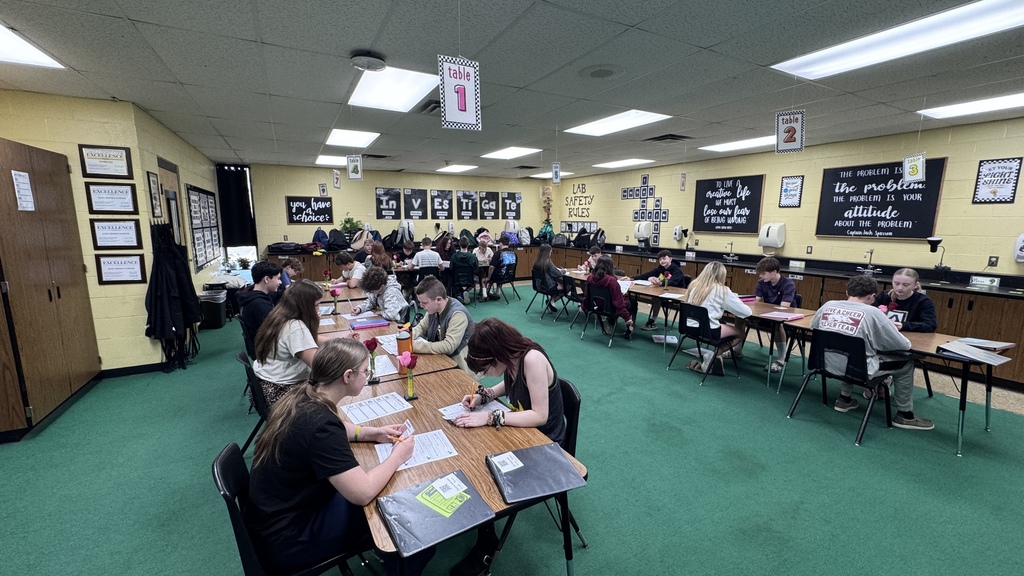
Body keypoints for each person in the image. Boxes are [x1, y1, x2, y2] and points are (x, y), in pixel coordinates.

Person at [245, 338, 432, 576]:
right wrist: (398, 456)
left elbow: (334, 426)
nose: (368, 375)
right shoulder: (320, 425)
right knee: (408, 520)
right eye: (365, 371)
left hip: (276, 519)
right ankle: (398, 563)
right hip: (291, 538)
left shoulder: (306, 393)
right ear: (347, 376)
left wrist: (369, 433)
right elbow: (361, 493)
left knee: (383, 491)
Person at [452, 318, 565, 576]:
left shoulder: (532, 359)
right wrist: (485, 396)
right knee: (471, 446)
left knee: (482, 467)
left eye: (486, 368)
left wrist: (489, 416)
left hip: (545, 442)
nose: (485, 375)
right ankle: (482, 530)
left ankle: (487, 543)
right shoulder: (512, 357)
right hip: (525, 435)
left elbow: (540, 416)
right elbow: (510, 383)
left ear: (497, 354)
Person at [812, 275, 934, 430]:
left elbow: (814, 327)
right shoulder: (873, 313)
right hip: (858, 369)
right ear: (872, 296)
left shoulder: (828, 305)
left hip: (826, 364)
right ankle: (905, 415)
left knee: (849, 351)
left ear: (847, 291)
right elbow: (903, 344)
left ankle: (844, 398)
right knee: (907, 364)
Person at [253, 279, 322, 405]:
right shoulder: (295, 327)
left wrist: (338, 341)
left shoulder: (280, 315)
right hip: (281, 392)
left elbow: (309, 341)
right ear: (305, 306)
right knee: (332, 391)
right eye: (316, 305)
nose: (319, 309)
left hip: (265, 385)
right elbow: (319, 365)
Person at [683, 261, 751, 375]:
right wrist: (735, 299)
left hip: (689, 328)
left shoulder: (694, 286)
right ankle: (714, 354)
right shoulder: (722, 290)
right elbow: (746, 312)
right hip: (708, 331)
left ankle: (713, 357)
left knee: (721, 323)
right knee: (740, 333)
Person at [411, 276, 475, 375]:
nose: (421, 306)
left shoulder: (457, 314)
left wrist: (413, 346)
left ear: (438, 300)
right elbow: (422, 327)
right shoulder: (433, 309)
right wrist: (408, 337)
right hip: (441, 360)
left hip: (459, 367)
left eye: (424, 303)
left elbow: (448, 346)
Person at [754, 256, 797, 372]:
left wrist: (764, 309)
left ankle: (781, 359)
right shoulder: (762, 282)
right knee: (741, 316)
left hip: (786, 317)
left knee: (778, 324)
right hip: (767, 314)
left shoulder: (788, 284)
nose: (761, 276)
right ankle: (737, 350)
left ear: (774, 272)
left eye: (763, 273)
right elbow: (756, 300)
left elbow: (784, 307)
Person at [631, 250, 689, 330]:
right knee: (656, 297)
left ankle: (653, 320)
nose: (662, 261)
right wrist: (633, 278)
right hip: (664, 291)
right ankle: (653, 320)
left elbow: (673, 281)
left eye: (664, 258)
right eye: (660, 259)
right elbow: (649, 274)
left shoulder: (677, 270)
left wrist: (660, 282)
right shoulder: (661, 268)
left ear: (670, 259)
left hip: (676, 293)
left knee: (657, 298)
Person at [874, 268, 937, 332]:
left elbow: (930, 325)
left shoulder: (923, 301)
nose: (900, 288)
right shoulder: (884, 296)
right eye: (896, 283)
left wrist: (903, 326)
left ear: (915, 285)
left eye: (905, 285)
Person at [585, 255, 634, 339]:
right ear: (610, 267)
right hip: (611, 308)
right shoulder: (611, 280)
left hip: (598, 306)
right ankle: (629, 328)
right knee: (632, 302)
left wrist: (583, 306)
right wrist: (627, 318)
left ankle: (609, 321)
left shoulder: (590, 278)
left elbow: (587, 295)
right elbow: (618, 303)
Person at [237, 261, 282, 334]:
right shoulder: (259, 304)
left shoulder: (253, 295)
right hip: (265, 343)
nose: (280, 282)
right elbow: (276, 329)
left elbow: (277, 295)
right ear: (266, 279)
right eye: (278, 278)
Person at [532, 243, 565, 313]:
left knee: (560, 284)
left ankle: (551, 301)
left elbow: (553, 270)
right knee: (568, 286)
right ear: (547, 253)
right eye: (550, 252)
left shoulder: (536, 262)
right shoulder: (547, 262)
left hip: (539, 286)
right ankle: (551, 301)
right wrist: (564, 271)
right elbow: (558, 274)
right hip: (549, 286)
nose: (550, 254)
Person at [485, 235, 516, 301]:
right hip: (510, 276)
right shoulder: (514, 253)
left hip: (500, 276)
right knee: (501, 270)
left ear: (500, 243)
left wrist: (488, 277)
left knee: (489, 273)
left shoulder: (498, 253)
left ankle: (488, 292)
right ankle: (498, 291)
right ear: (508, 243)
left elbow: (491, 267)